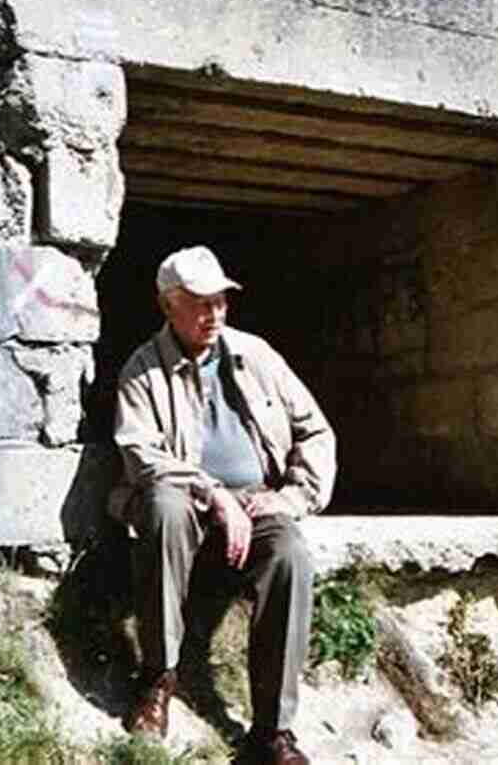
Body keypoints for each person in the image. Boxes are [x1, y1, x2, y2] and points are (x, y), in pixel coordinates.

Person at [110, 245, 337, 765]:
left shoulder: (256, 355)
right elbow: (141, 456)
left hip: (256, 503)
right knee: (164, 507)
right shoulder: (142, 371)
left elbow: (316, 430)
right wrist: (213, 495)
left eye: (221, 301)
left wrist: (292, 496)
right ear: (168, 306)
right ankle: (159, 679)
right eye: (199, 303)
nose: (213, 314)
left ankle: (272, 731)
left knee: (292, 555)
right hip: (188, 502)